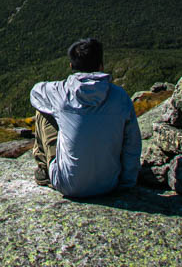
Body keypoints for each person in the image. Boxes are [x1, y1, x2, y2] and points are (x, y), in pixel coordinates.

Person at [29, 37, 142, 197]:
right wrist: (127, 182)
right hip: (109, 184)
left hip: (68, 184)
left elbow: (35, 93)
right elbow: (132, 143)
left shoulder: (60, 93)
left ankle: (45, 170)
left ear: (71, 66)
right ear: (101, 66)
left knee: (43, 110)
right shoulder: (120, 97)